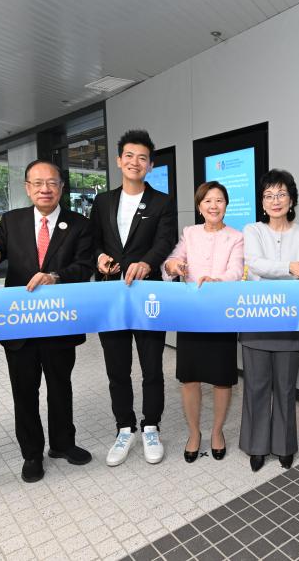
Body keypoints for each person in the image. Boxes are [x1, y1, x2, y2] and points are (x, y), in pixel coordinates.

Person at [0, 159, 94, 483]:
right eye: (38, 183)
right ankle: (31, 453)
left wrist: (55, 276)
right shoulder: (12, 221)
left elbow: (84, 267)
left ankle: (63, 444)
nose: (45, 188)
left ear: (61, 188)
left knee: (60, 387)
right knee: (24, 391)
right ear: (27, 188)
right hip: (20, 325)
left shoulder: (79, 224)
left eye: (52, 182)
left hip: (59, 322)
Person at [91, 130, 177, 467]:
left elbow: (165, 239)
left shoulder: (162, 202)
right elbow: (93, 239)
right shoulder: (102, 201)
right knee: (117, 369)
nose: (134, 162)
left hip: (147, 295)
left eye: (142, 157)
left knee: (152, 367)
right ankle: (124, 427)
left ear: (151, 164)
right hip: (111, 295)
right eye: (129, 156)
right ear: (118, 160)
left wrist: (147, 262)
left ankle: (151, 426)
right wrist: (98, 256)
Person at [240, 169, 299, 472]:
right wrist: (290, 267)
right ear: (262, 202)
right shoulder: (253, 230)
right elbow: (255, 264)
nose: (276, 200)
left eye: (282, 194)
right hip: (257, 319)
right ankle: (257, 446)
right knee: (257, 387)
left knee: (286, 389)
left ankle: (284, 445)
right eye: (269, 195)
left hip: (291, 321)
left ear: (291, 199)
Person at [162, 181, 244, 463]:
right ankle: (194, 432)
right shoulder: (190, 233)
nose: (213, 206)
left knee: (222, 379)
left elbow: (236, 271)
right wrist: (173, 266)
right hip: (192, 314)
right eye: (207, 201)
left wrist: (217, 281)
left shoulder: (236, 236)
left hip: (221, 314)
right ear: (199, 207)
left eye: (219, 200)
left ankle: (217, 432)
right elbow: (174, 259)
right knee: (190, 377)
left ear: (226, 205)